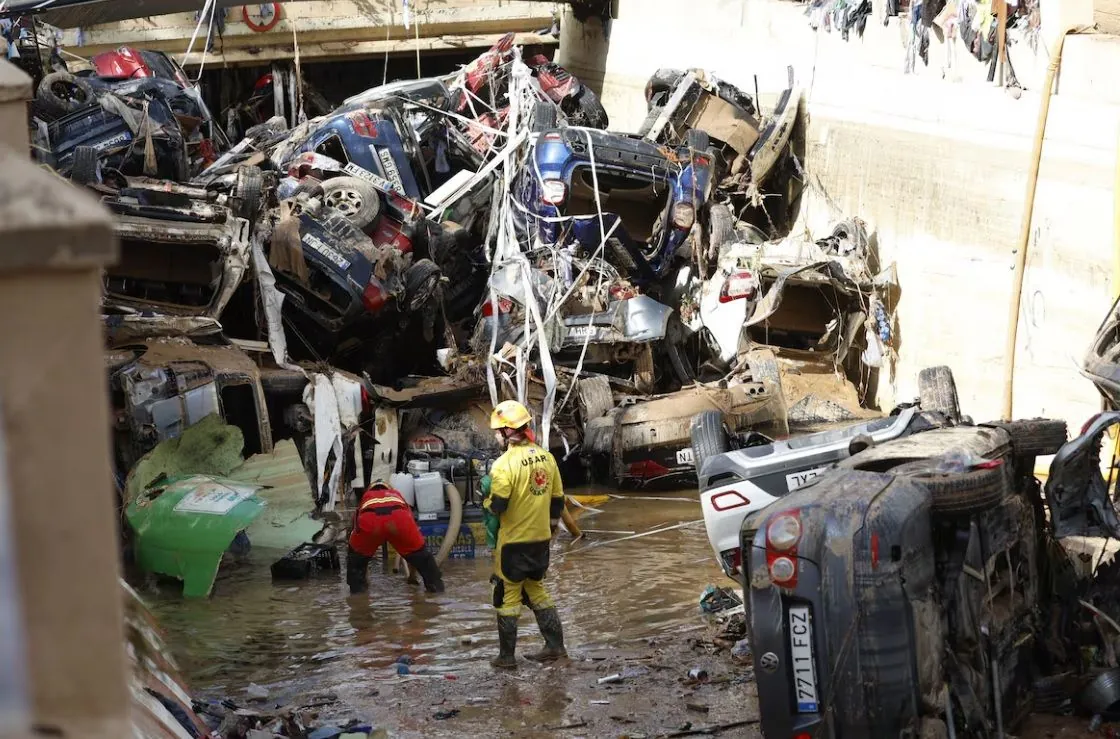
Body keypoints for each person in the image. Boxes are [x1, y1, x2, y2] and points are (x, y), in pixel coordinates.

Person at [484, 400, 567, 668]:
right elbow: (557, 501)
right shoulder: (548, 458)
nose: (496, 435)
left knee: (507, 597)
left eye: (498, 430)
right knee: (537, 590)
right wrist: (551, 529)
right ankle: (555, 647)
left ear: (509, 431)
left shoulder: (503, 465)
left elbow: (499, 505)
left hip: (513, 544)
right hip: (540, 541)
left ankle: (506, 657)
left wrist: (484, 499)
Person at [346, 480, 445, 595]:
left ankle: (358, 600)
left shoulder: (366, 498)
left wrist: (364, 579)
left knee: (356, 562)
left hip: (370, 521)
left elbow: (359, 548)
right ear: (389, 488)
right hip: (399, 519)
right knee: (424, 560)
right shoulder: (397, 496)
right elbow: (415, 555)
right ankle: (437, 595)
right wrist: (412, 577)